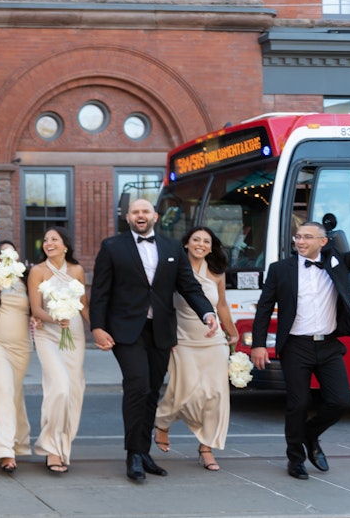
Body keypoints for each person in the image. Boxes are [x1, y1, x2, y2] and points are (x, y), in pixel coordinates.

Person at [90, 199, 217, 482]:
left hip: (160, 330)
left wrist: (207, 313)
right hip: (125, 330)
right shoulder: (112, 247)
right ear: (127, 217)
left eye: (146, 211)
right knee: (137, 385)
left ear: (155, 216)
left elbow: (189, 286)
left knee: (151, 390)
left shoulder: (172, 248)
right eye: (135, 211)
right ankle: (133, 454)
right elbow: (100, 291)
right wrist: (97, 327)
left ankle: (144, 452)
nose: (141, 215)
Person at [251, 211, 350, 480]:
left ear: (323, 242)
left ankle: (310, 434)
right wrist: (258, 344)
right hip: (296, 346)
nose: (300, 242)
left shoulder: (338, 263)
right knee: (298, 402)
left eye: (306, 237)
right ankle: (295, 459)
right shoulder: (280, 270)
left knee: (340, 401)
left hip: (328, 346)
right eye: (297, 237)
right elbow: (264, 309)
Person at [154, 227, 238, 472]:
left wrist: (232, 331)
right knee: (184, 390)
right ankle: (162, 422)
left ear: (211, 248)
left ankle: (206, 447)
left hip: (213, 340)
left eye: (206, 241)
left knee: (215, 395)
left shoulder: (217, 273)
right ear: (187, 244)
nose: (201, 244)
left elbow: (221, 305)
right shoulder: (172, 270)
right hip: (182, 339)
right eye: (196, 240)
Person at [28, 227, 88, 474]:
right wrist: (55, 319)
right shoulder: (37, 271)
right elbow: (35, 309)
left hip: (74, 335)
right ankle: (51, 448)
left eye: (55, 239)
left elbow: (83, 306)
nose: (48, 243)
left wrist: (99, 329)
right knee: (59, 389)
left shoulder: (77, 270)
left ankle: (64, 446)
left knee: (74, 391)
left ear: (65, 245)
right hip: (48, 335)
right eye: (46, 240)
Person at [0, 239, 33, 472]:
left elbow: (36, 307)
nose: (12, 257)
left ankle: (18, 443)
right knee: (0, 392)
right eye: (6, 254)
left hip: (21, 346)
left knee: (14, 394)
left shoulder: (26, 279)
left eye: (15, 253)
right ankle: (4, 451)